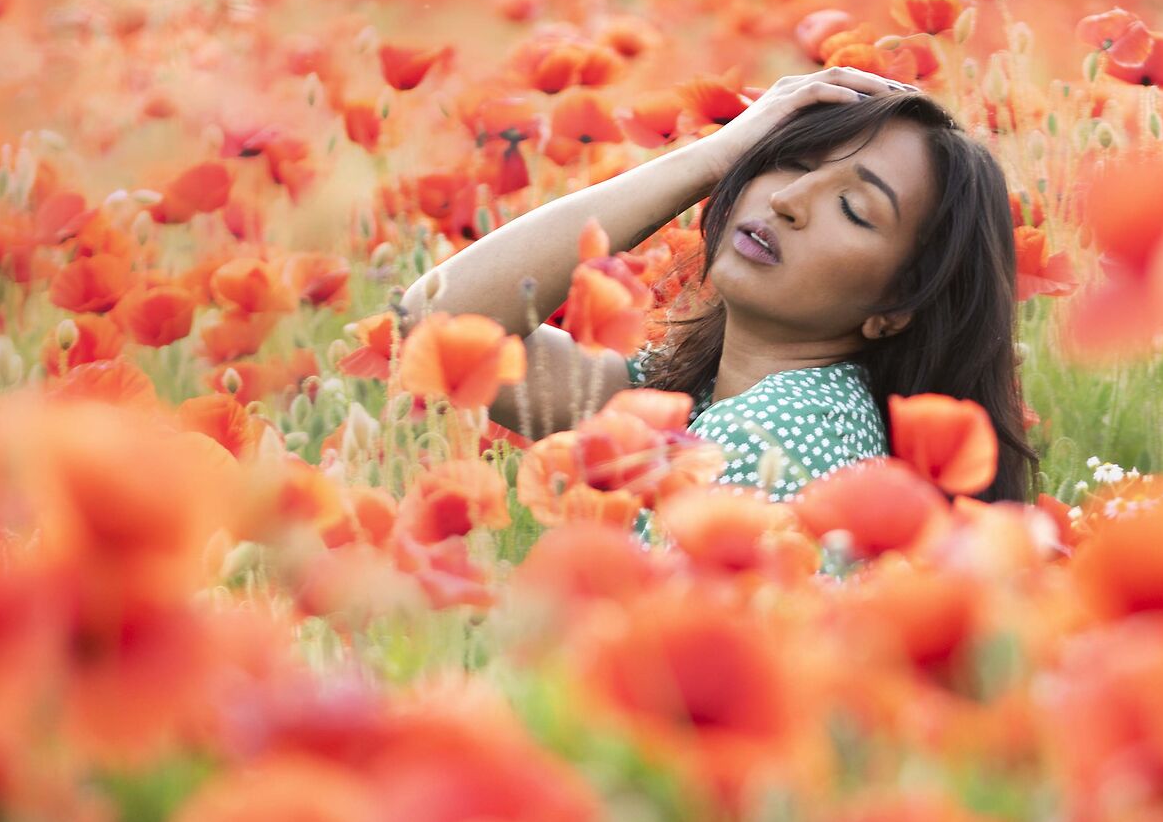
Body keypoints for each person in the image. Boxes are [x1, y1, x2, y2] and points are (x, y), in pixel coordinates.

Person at [398, 66, 1035, 527]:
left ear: (896, 307)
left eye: (853, 208)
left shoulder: (772, 433)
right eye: (793, 161)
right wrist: (717, 154)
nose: (787, 200)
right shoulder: (709, 399)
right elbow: (436, 327)